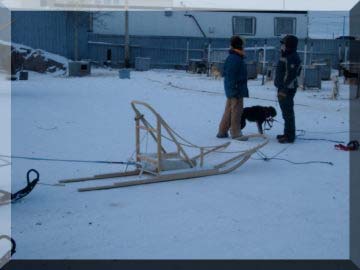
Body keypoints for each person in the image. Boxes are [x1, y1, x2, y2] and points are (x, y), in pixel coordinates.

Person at [217, 35, 249, 140]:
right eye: (243, 44)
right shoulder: (235, 58)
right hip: (236, 90)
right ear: (240, 45)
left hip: (233, 89)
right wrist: (234, 89)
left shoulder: (234, 57)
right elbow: (230, 75)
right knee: (236, 112)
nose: (245, 46)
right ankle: (236, 133)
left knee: (229, 110)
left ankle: (222, 131)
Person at [274, 35, 301, 144]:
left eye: (283, 44)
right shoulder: (286, 55)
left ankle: (289, 136)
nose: (282, 46)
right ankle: (287, 133)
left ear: (288, 45)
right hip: (283, 88)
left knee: (288, 112)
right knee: (286, 112)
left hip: (287, 89)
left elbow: (290, 75)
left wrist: (283, 89)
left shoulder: (292, 57)